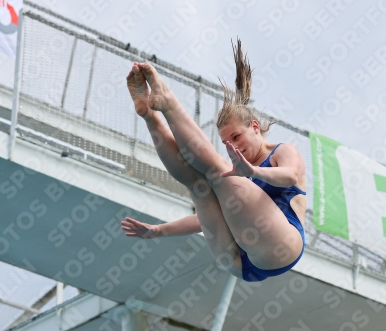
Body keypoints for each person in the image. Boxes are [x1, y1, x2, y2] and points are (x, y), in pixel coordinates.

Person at [121, 40, 307, 282]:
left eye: (237, 137)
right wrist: (158, 231)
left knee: (218, 171)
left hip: (281, 246)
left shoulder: (283, 151)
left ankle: (168, 101)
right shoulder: (240, 173)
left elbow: (291, 176)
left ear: (254, 128)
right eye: (227, 141)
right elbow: (204, 219)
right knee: (197, 183)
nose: (234, 146)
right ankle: (149, 114)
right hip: (239, 264)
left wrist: (253, 171)